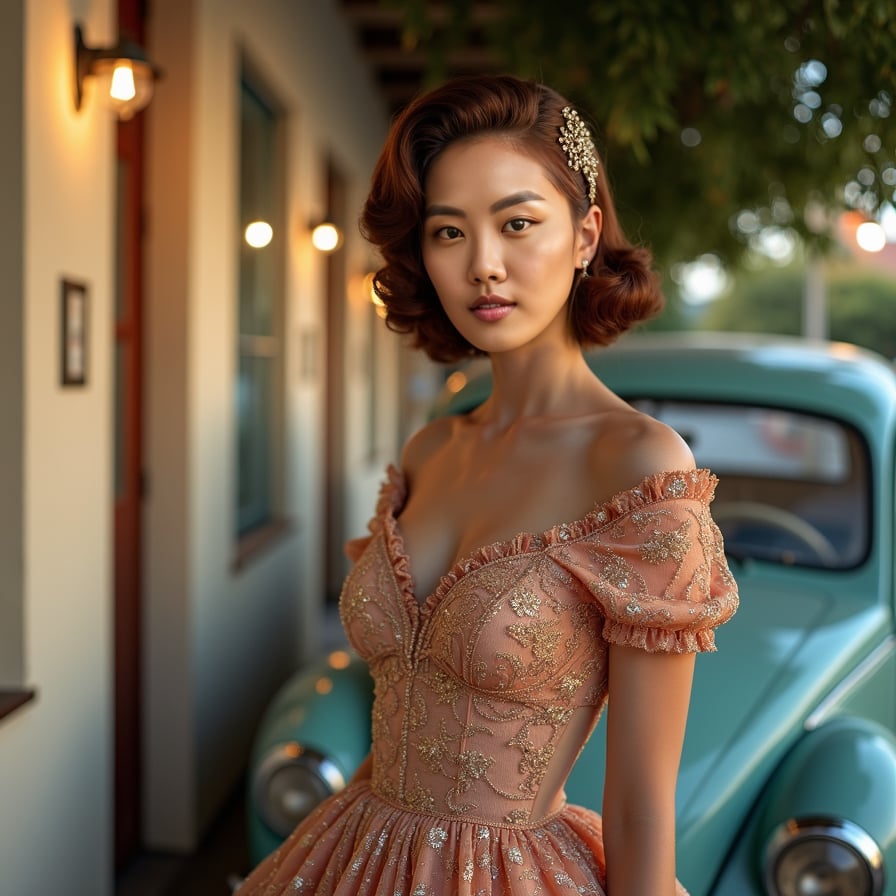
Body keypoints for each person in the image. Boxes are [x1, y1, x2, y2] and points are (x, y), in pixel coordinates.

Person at [238, 74, 738, 896]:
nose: (484, 266)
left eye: (517, 223)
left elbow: (644, 802)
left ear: (585, 236)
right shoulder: (431, 449)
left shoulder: (641, 470)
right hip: (348, 856)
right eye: (448, 232)